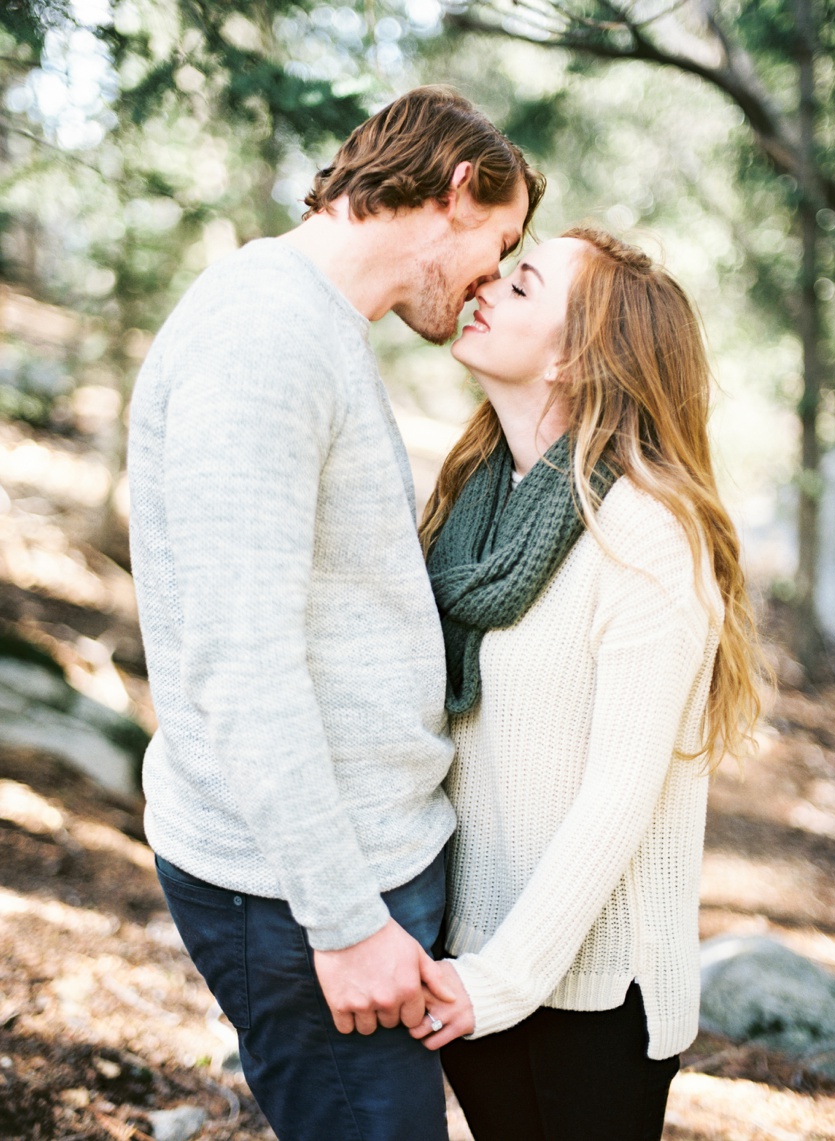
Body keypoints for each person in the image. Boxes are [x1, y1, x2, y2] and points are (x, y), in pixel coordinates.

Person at [127, 86, 544, 1141]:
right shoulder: (263, 336)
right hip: (296, 893)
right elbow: (241, 661)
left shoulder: (314, 323)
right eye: (500, 243)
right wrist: (345, 919)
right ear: (458, 191)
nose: (491, 279)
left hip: (346, 868)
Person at [410, 227, 763, 1140]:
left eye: (521, 285)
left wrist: (502, 979)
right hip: (474, 959)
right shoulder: (472, 506)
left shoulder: (645, 533)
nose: (485, 287)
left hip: (595, 993)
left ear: (573, 358)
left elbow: (618, 799)